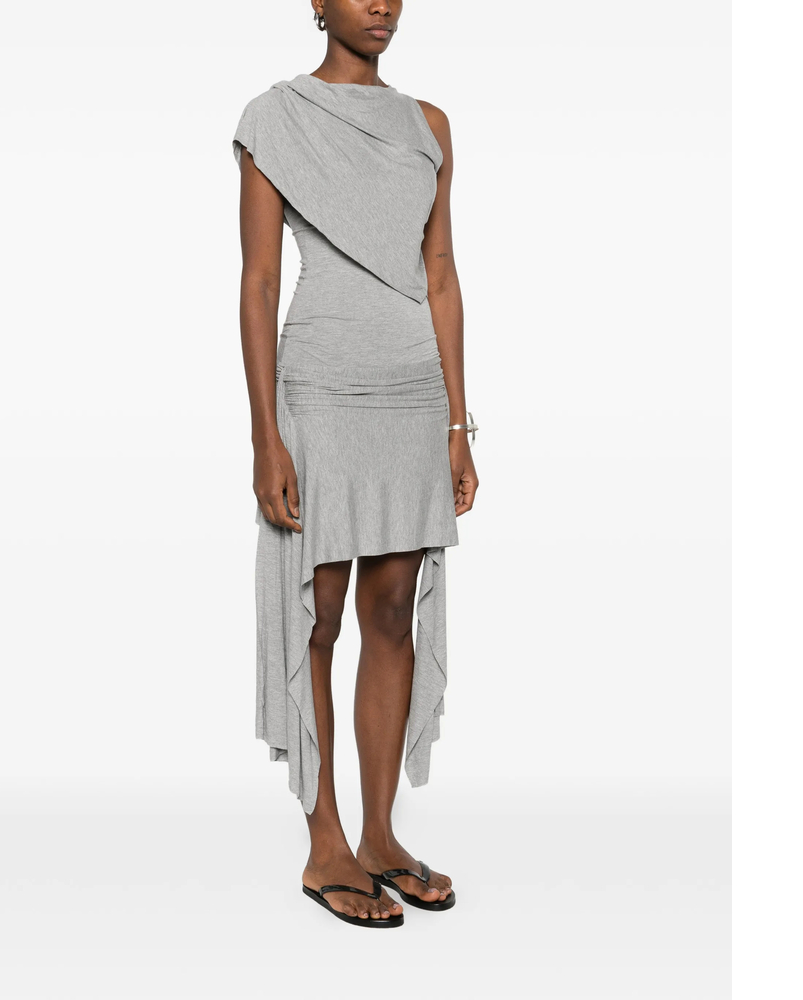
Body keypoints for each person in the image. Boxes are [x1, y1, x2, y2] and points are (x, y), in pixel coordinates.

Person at [232, 1, 479, 928]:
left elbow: (441, 271)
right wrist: (266, 435)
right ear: (316, 3)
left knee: (391, 608)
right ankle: (325, 842)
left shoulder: (430, 125)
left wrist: (458, 424)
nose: (381, 4)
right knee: (322, 611)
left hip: (411, 387)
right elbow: (259, 280)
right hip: (321, 386)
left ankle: (380, 837)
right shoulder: (275, 116)